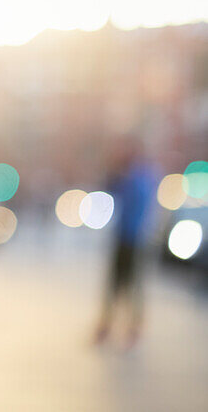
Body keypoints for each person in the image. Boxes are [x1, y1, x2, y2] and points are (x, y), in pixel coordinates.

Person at [93, 136, 156, 349]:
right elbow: (109, 189)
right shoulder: (129, 176)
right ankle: (108, 324)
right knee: (115, 284)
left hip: (135, 239)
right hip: (123, 237)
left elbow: (135, 200)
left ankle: (133, 327)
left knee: (132, 285)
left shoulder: (140, 177)